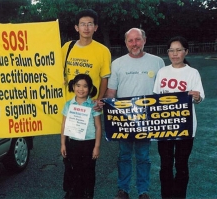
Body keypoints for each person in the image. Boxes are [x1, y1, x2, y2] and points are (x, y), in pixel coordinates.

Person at [101, 28, 165, 199]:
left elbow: (163, 91)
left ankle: (143, 191)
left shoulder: (157, 62)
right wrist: (107, 108)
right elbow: (111, 91)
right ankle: (123, 189)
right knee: (124, 156)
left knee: (144, 157)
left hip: (147, 119)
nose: (134, 44)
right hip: (124, 120)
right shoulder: (118, 64)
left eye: (138, 39)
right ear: (125, 43)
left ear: (144, 40)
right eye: (131, 40)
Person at [61, 9, 111, 198]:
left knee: (89, 157)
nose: (86, 27)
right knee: (70, 156)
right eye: (83, 23)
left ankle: (87, 192)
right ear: (76, 27)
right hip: (71, 108)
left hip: (90, 110)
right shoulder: (67, 47)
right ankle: (72, 191)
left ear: (95, 27)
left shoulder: (102, 50)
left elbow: (104, 77)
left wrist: (100, 99)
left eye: (90, 24)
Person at [153, 36, 205, 199]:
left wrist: (196, 97)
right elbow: (156, 97)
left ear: (186, 52)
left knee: (181, 164)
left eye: (179, 50)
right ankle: (166, 195)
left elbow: (199, 97)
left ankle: (180, 195)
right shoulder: (162, 72)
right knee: (166, 164)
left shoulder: (192, 73)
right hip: (165, 125)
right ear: (168, 52)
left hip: (185, 126)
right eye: (171, 50)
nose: (175, 54)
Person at [61, 74, 102, 198]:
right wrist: (63, 143)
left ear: (89, 89)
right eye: (78, 85)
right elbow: (64, 125)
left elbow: (98, 127)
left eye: (85, 86)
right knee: (72, 170)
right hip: (72, 142)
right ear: (73, 87)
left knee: (88, 171)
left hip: (89, 143)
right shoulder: (68, 105)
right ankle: (73, 193)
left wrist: (97, 146)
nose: (81, 89)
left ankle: (87, 194)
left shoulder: (93, 105)